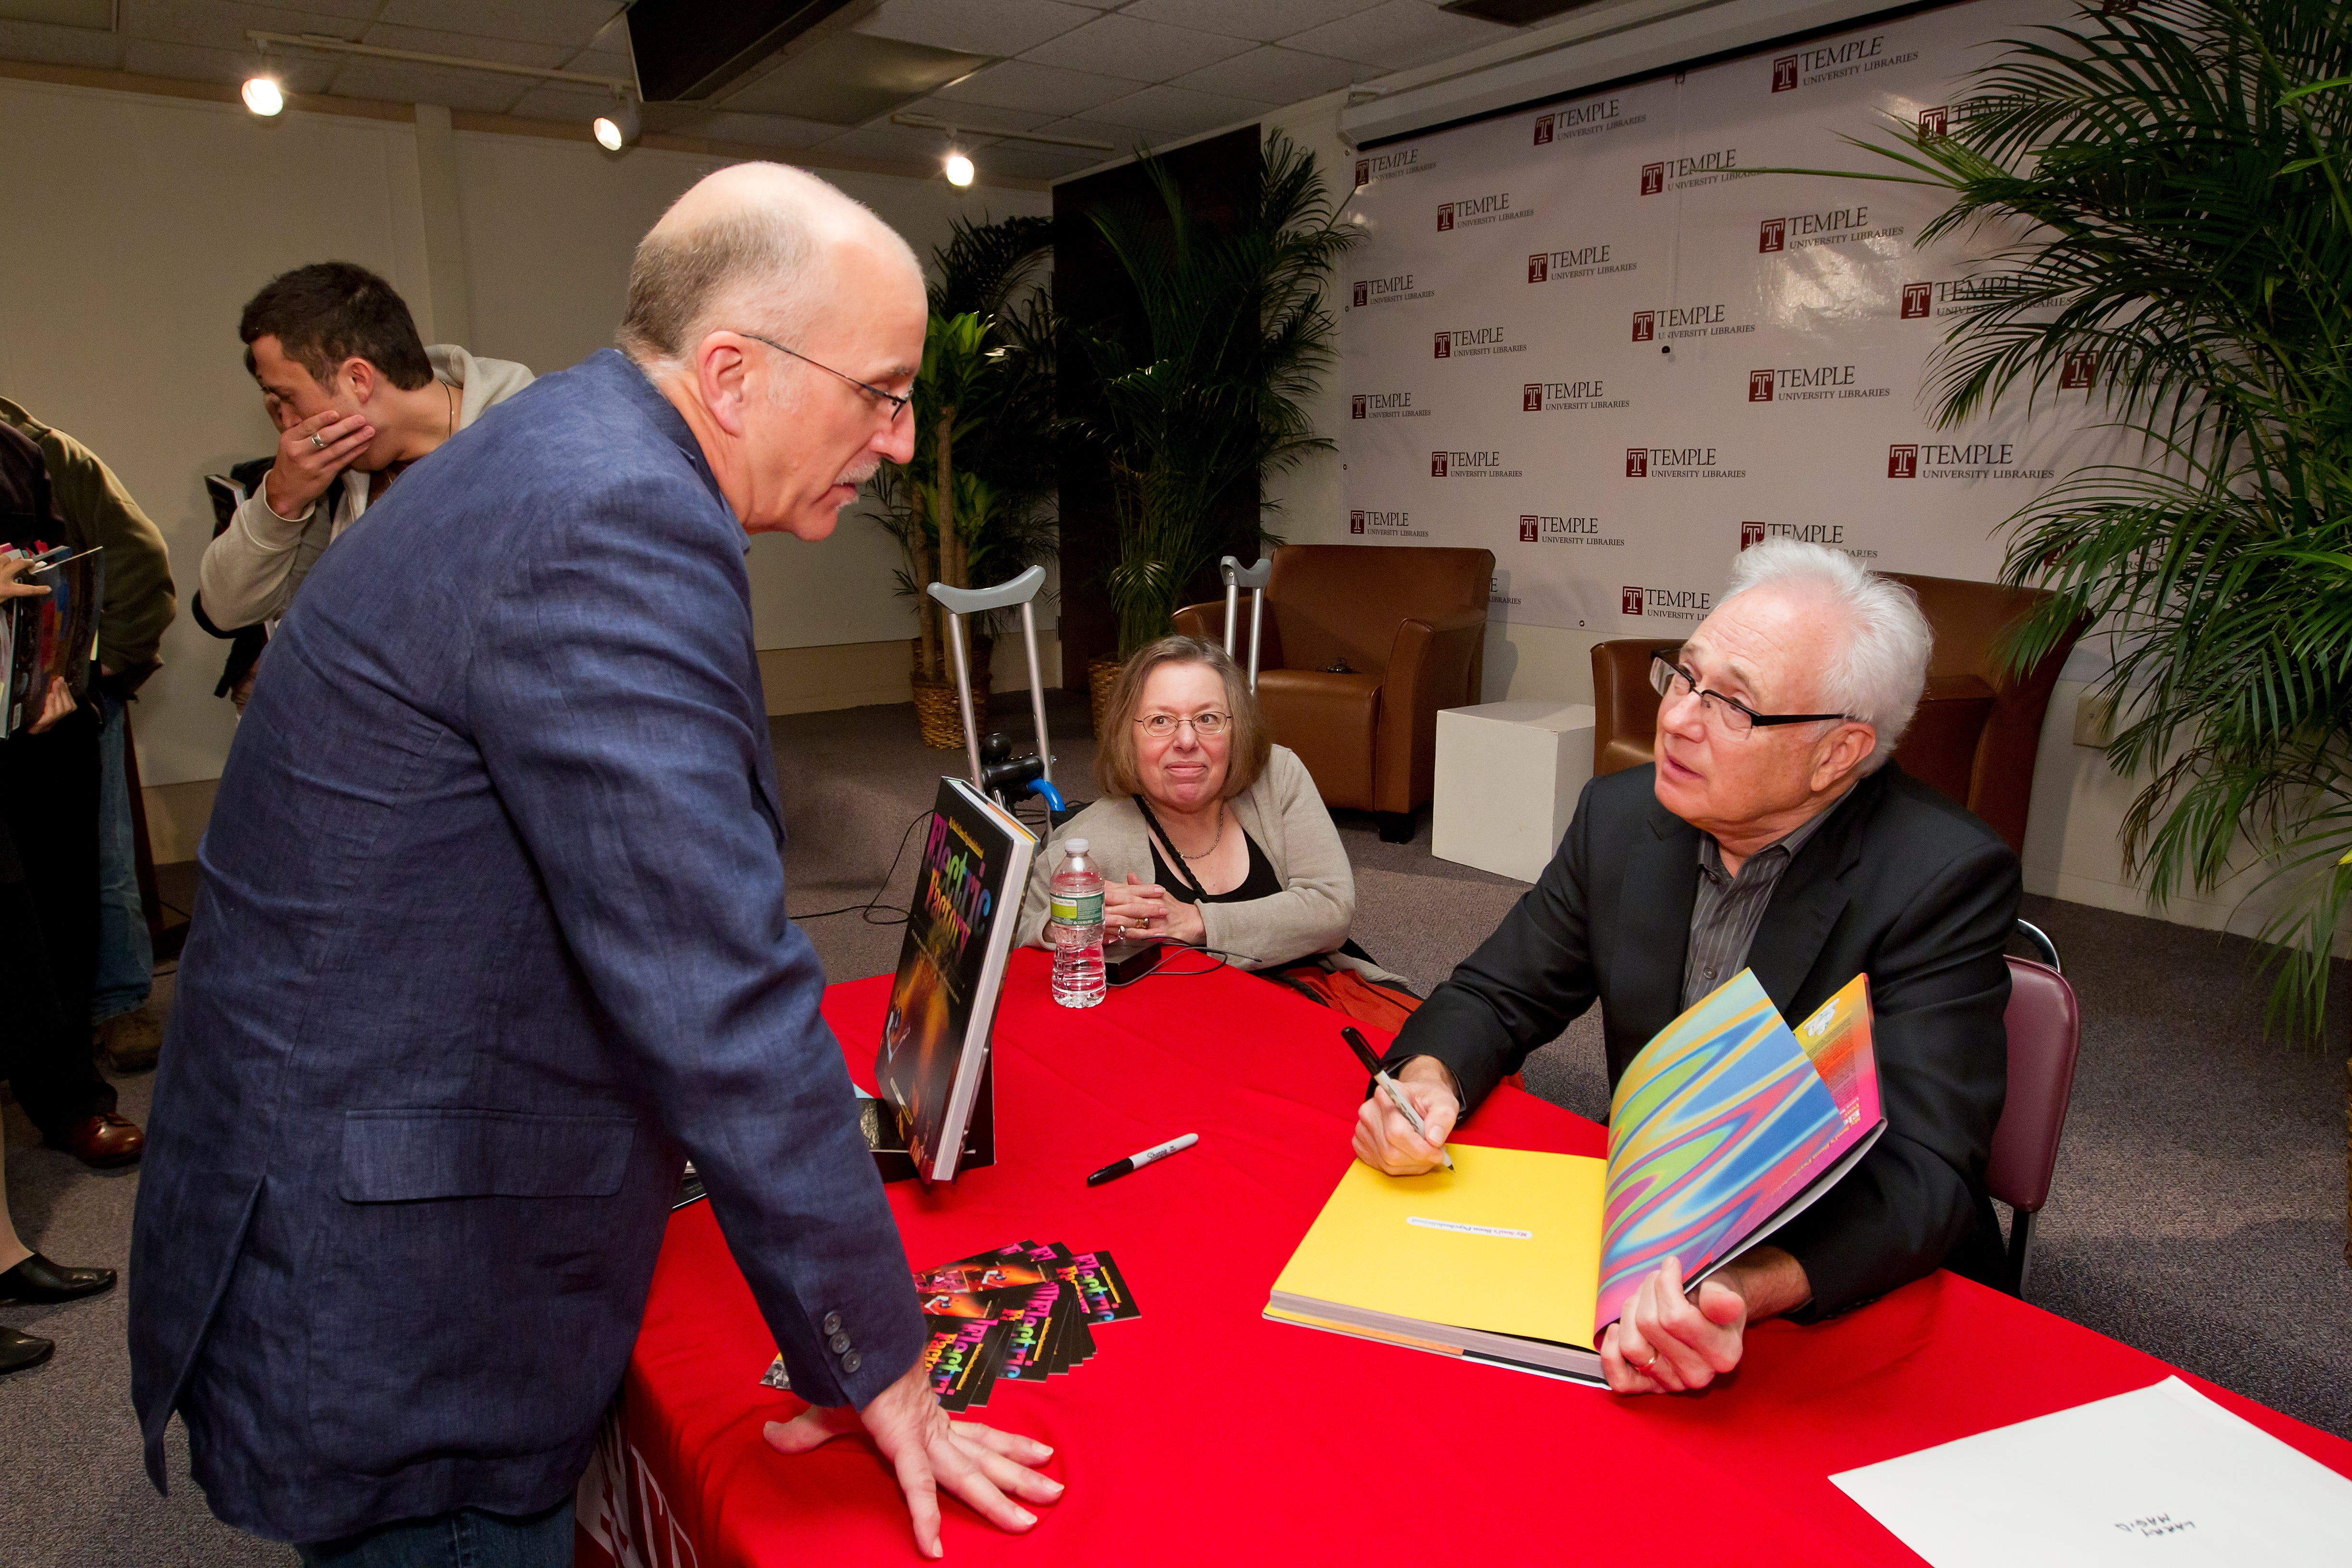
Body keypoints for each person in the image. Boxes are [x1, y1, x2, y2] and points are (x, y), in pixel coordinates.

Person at [130, 163, 1059, 1565]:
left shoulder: (569, 451)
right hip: (402, 1276)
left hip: (362, 1151)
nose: (901, 436)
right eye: (880, 390)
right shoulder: (613, 516)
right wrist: (883, 1357)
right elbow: (718, 984)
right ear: (735, 372)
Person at [1353, 540, 2018, 1396]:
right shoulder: (1622, 816)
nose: (1675, 718)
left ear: (1837, 751)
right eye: (1685, 675)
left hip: (1839, 1267)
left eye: (1733, 704)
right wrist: (1427, 1081)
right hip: (1651, 1237)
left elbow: (1927, 1176)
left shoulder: (1940, 876)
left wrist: (1737, 1289)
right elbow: (1498, 990)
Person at [196, 261, 533, 703]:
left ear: (358, 379)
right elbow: (225, 610)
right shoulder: (339, 478)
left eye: (289, 398)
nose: (287, 423)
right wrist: (279, 502)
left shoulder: (527, 439)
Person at [1015, 637, 1409, 1005]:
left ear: (1237, 729)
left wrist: (1195, 921)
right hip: (1185, 1028)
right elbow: (1018, 944)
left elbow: (1331, 911)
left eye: (1207, 719)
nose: (1187, 741)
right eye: (1160, 721)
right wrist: (1060, 930)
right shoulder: (1090, 840)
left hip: (1315, 1002)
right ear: (1127, 735)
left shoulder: (1279, 776)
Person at [0, 396, 178, 1071]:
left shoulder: (48, 454)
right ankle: (34, 1037)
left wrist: (96, 670)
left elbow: (138, 559)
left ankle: (121, 1004)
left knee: (94, 864)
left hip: (64, 700)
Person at [0, 424, 143, 1168]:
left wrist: (63, 676)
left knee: (63, 903)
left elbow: (52, 577)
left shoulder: (17, 450)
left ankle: (69, 1097)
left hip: (27, 718)